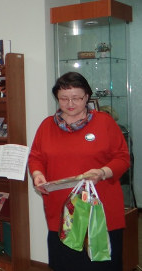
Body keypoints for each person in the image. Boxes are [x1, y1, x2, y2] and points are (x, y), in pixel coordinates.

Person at [28, 72, 129, 271]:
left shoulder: (104, 122)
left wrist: (103, 172)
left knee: (103, 266)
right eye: (64, 98)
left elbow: (123, 157)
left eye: (77, 98)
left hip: (101, 212)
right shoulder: (47, 125)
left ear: (87, 97)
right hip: (62, 214)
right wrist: (37, 175)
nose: (70, 103)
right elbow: (36, 157)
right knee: (65, 265)